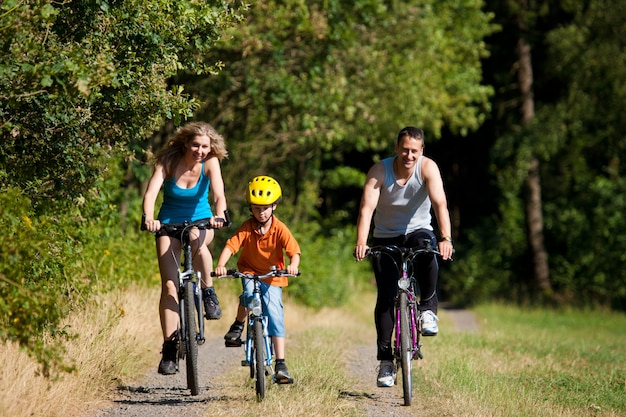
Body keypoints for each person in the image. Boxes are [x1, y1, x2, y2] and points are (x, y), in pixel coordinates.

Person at [353, 126, 454, 388]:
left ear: (421, 151)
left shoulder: (427, 168)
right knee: (386, 296)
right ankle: (386, 361)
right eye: (405, 150)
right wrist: (362, 242)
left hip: (418, 231)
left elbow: (440, 204)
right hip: (386, 235)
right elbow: (366, 209)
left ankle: (428, 310)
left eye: (414, 151)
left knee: (428, 250)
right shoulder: (379, 171)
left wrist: (446, 239)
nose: (409, 155)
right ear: (397, 148)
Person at [142, 121, 229, 375]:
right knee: (169, 285)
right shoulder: (168, 162)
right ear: (185, 143)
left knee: (195, 236)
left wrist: (220, 214)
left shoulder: (210, 163)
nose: (200, 151)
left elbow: (219, 195)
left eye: (205, 146)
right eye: (195, 145)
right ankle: (169, 347)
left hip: (202, 222)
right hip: (169, 224)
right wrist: (149, 218)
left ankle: (208, 291)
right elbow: (150, 195)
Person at [214, 176, 301, 384]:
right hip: (249, 271)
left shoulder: (280, 228)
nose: (260, 212)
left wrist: (293, 265)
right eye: (255, 208)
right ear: (250, 208)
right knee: (248, 297)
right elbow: (231, 246)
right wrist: (220, 265)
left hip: (273, 276)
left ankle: (280, 363)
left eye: (265, 208)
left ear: (274, 206)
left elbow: (294, 251)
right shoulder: (247, 227)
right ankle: (238, 324)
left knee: (276, 315)